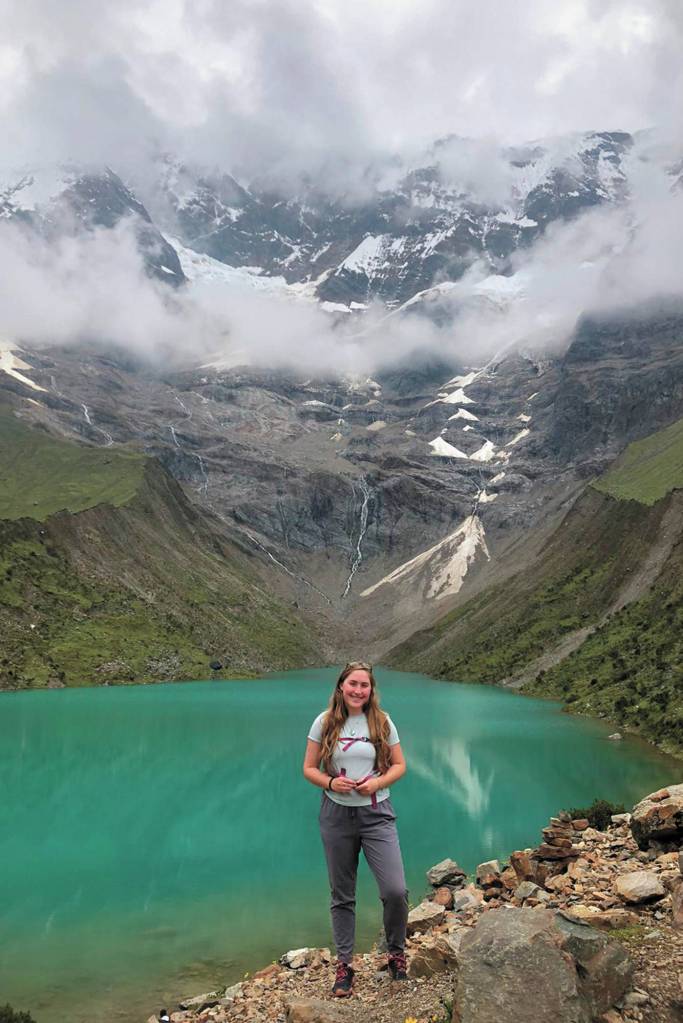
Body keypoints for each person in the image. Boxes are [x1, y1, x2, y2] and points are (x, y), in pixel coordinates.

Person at [303, 661, 409, 998]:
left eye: (364, 685)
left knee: (395, 890)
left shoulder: (382, 721)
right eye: (352, 684)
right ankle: (345, 965)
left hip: (377, 814)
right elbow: (309, 769)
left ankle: (396, 953)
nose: (358, 690)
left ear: (371, 689)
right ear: (341, 686)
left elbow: (400, 765)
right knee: (342, 894)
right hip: (336, 815)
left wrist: (376, 782)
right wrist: (333, 781)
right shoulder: (324, 722)